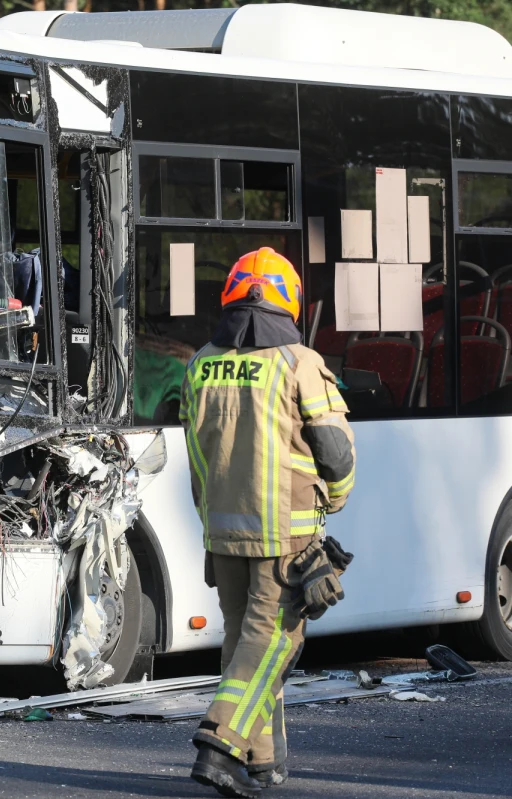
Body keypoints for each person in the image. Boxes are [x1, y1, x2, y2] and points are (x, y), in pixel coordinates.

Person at [179, 247, 356, 798]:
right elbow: (335, 452)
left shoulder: (200, 363)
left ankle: (263, 761)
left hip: (221, 530)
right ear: (288, 301)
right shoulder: (299, 362)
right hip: (285, 533)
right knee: (274, 640)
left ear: (232, 293)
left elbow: (194, 448)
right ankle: (221, 743)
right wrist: (339, 497)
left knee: (242, 641)